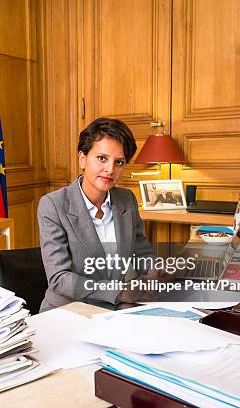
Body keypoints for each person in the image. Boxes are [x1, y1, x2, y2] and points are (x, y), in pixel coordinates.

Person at [37, 117, 168, 312]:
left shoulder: (127, 200)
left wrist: (158, 272)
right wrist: (119, 292)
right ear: (83, 158)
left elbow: (142, 255)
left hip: (113, 311)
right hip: (68, 313)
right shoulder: (53, 205)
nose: (110, 169)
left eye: (119, 162)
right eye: (102, 158)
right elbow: (59, 279)